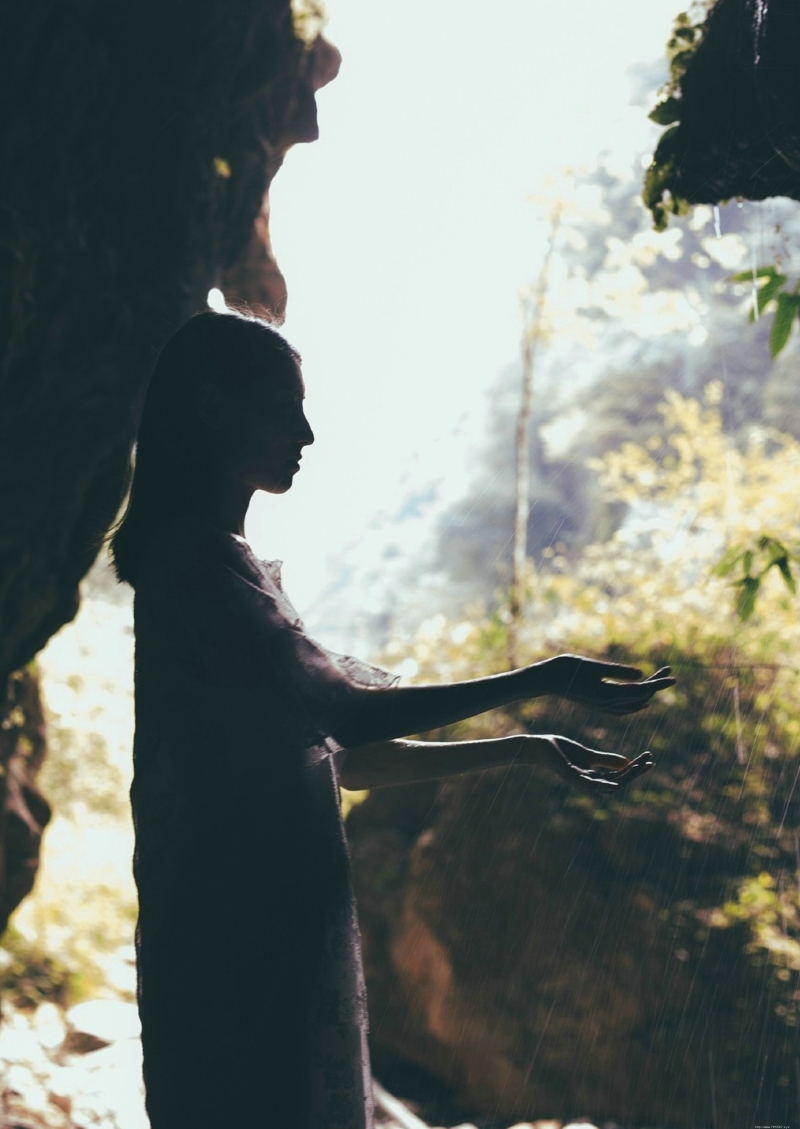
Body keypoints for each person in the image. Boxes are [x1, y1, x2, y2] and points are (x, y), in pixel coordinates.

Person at [110, 308, 674, 1129]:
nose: (306, 431)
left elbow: (340, 756)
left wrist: (522, 748)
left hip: (254, 924)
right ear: (212, 406)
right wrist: (543, 676)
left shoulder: (225, 567)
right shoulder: (198, 564)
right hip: (234, 933)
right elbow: (346, 715)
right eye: (282, 403)